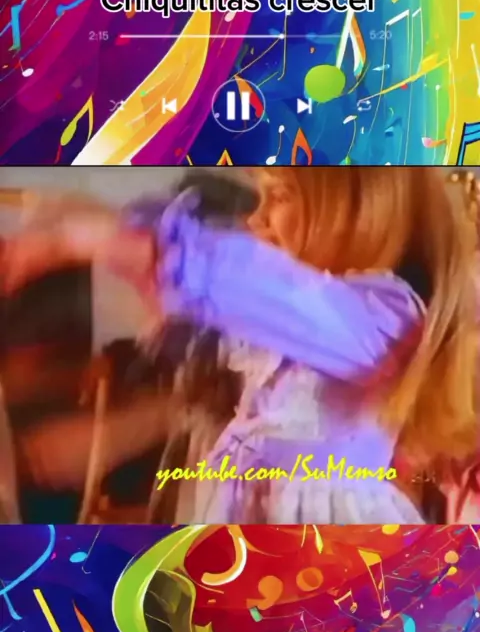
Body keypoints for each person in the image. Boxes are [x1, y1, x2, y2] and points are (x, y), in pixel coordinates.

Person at [2, 167, 478, 524]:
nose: (257, 219)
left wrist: (94, 240)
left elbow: (236, 280)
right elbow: (220, 303)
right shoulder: (296, 333)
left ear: (360, 209)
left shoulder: (385, 319)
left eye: (280, 196)